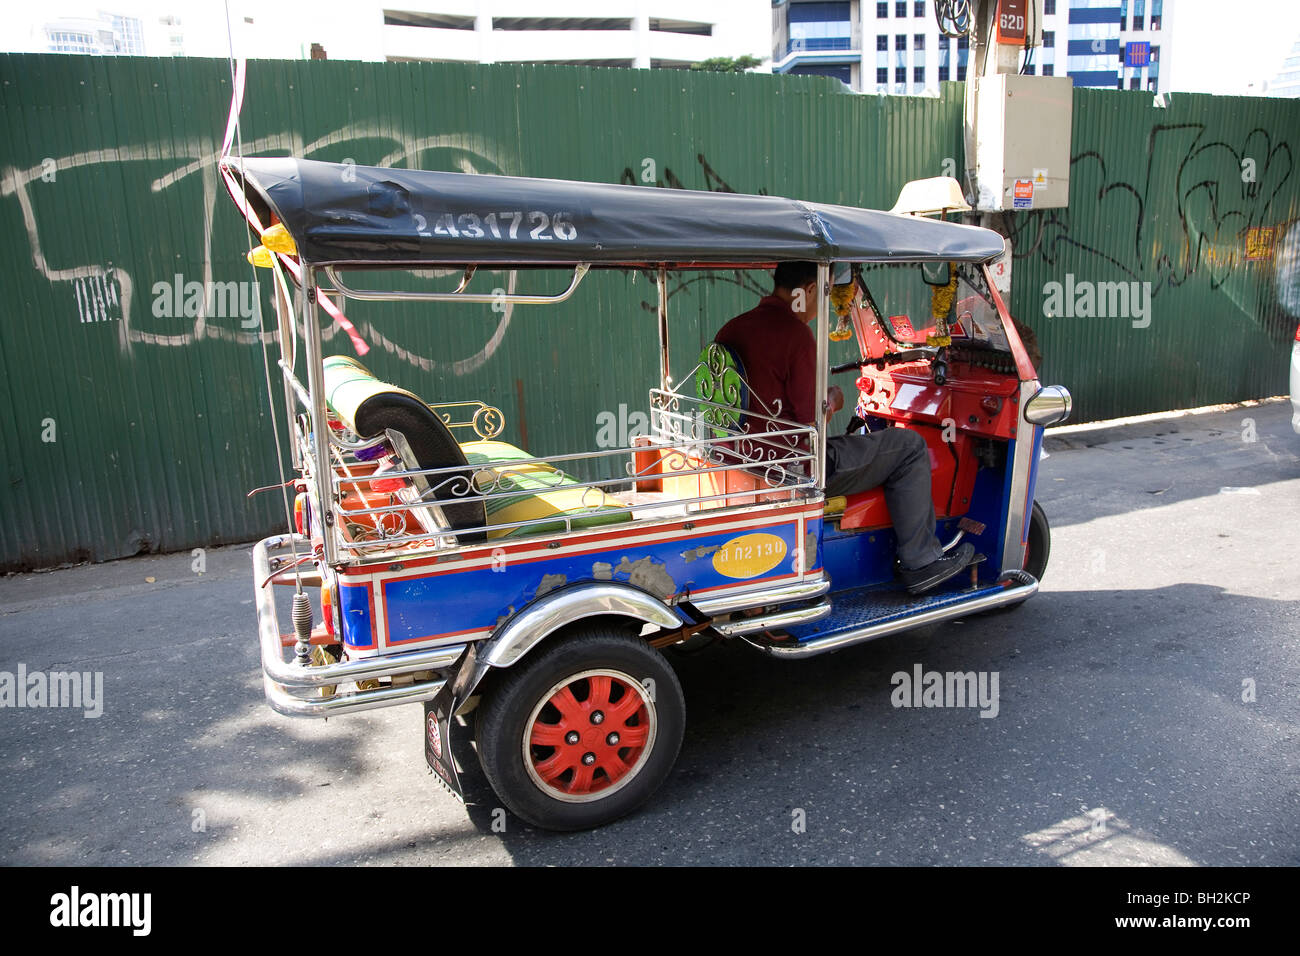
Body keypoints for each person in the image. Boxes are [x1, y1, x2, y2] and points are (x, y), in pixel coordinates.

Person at [714, 260, 975, 595]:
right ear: (809, 290)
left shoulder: (733, 329)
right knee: (909, 447)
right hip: (795, 467)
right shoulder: (795, 335)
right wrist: (833, 400)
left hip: (740, 457)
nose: (821, 303)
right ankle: (921, 562)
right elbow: (811, 418)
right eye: (822, 294)